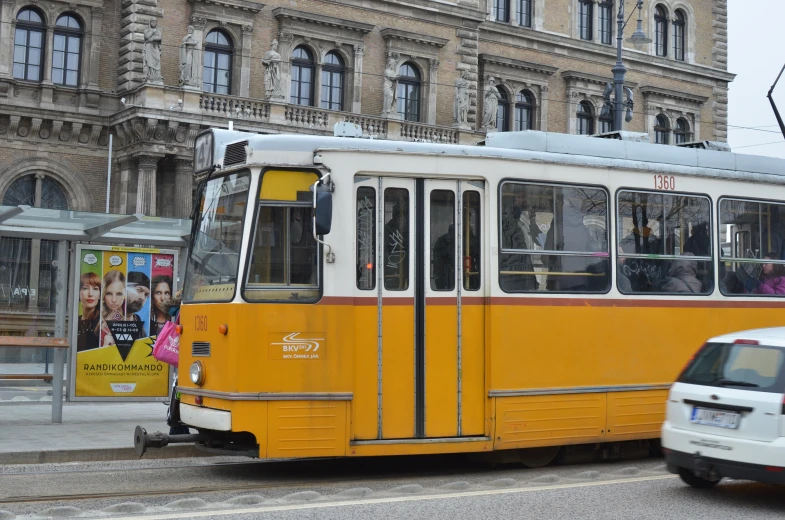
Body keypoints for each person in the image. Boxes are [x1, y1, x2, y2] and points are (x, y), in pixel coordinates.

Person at [100, 270, 126, 347]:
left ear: (125, 294)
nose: (114, 300)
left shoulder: (134, 318)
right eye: (109, 293)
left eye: (119, 294)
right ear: (103, 294)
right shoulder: (96, 319)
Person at [77, 272, 101, 352]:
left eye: (95, 289)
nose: (90, 294)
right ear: (78, 293)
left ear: (100, 295)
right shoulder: (76, 321)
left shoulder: (101, 321)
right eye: (85, 288)